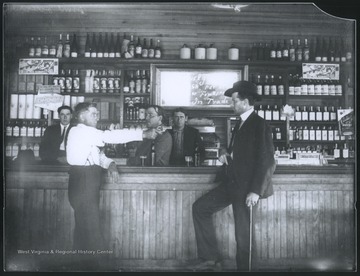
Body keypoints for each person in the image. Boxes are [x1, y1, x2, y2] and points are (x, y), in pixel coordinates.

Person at [192, 81, 276, 271]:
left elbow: (268, 161)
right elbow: (240, 153)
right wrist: (225, 153)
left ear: (245, 102)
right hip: (232, 183)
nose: (232, 104)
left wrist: (255, 191)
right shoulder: (241, 123)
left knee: (243, 234)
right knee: (200, 208)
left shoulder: (259, 124)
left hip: (247, 188)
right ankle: (209, 258)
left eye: (234, 101)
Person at [66, 102, 159, 270]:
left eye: (97, 113)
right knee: (92, 228)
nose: (97, 116)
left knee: (83, 228)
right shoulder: (80, 131)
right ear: (81, 117)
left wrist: (111, 164)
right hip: (83, 181)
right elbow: (110, 136)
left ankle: (80, 267)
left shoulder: (88, 134)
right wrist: (143, 133)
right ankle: (101, 269)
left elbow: (98, 156)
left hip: (87, 180)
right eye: (93, 113)